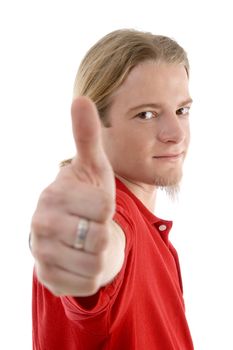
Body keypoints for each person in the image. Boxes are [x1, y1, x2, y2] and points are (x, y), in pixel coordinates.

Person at [30, 28, 194, 349]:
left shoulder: (151, 231)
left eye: (182, 110)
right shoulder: (117, 215)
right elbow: (103, 251)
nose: (176, 132)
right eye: (146, 114)